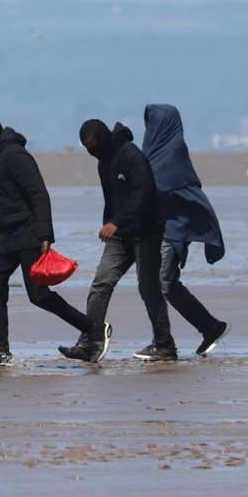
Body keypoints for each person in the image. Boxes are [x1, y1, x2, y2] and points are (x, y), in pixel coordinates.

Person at [0, 111, 91, 369]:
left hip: (28, 234)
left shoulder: (14, 156)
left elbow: (39, 194)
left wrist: (45, 235)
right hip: (5, 236)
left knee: (39, 296)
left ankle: (92, 328)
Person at [62, 119, 174, 363]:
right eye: (87, 149)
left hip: (146, 234)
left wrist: (116, 222)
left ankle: (165, 345)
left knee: (149, 289)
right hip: (120, 237)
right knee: (100, 284)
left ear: (103, 139)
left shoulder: (131, 156)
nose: (92, 152)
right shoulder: (103, 162)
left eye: (93, 146)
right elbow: (112, 199)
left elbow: (143, 193)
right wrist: (109, 222)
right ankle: (90, 341)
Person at [141, 103, 230, 356]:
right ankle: (200, 330)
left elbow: (165, 185)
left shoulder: (172, 152)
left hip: (175, 229)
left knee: (165, 283)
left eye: (153, 123)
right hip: (159, 228)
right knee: (161, 284)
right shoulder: (152, 149)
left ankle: (199, 330)